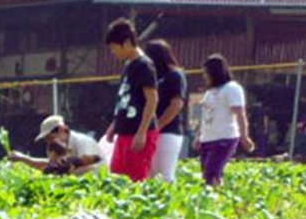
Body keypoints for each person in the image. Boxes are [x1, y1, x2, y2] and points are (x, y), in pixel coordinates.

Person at [104, 18, 159, 183]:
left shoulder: (144, 65)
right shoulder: (129, 65)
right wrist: (115, 125)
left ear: (127, 43)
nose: (113, 53)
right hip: (124, 132)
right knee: (117, 178)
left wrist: (141, 132)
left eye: (114, 48)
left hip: (139, 133)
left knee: (135, 181)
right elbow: (125, 99)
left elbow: (152, 99)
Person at [194, 54, 254, 186]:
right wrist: (199, 136)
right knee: (206, 175)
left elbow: (240, 114)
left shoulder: (232, 88)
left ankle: (216, 199)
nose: (205, 76)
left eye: (206, 73)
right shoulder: (209, 92)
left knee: (212, 173)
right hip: (207, 138)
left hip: (224, 137)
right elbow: (206, 116)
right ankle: (215, 196)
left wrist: (244, 137)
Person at [145, 40, 188, 183]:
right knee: (149, 174)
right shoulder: (153, 77)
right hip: (151, 131)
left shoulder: (175, 75)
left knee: (166, 175)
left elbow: (176, 105)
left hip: (168, 132)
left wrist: (158, 125)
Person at [10, 115, 102, 175]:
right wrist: (23, 159)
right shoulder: (63, 147)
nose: (49, 142)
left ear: (61, 130)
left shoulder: (82, 141)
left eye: (50, 138)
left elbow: (86, 163)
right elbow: (53, 163)